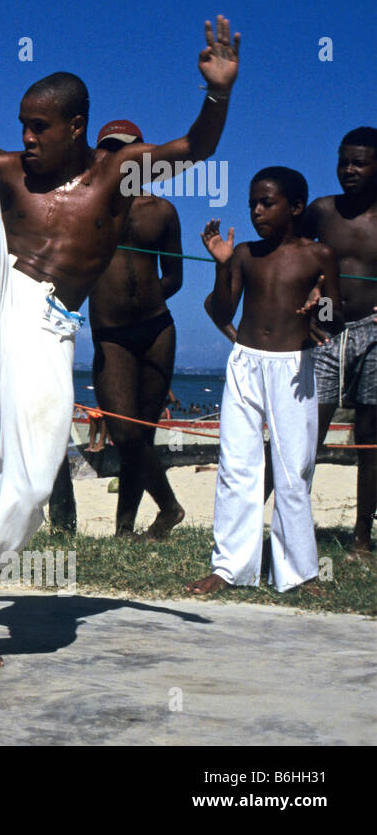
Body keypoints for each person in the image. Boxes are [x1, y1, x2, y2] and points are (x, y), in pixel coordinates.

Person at [0, 7, 239, 666]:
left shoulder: (117, 175)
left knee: (29, 482)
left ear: (77, 126)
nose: (28, 137)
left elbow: (197, 149)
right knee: (37, 483)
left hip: (49, 323)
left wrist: (218, 92)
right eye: (23, 124)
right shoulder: (14, 172)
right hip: (8, 294)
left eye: (39, 126)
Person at [186, 167, 341, 594]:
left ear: (295, 207)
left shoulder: (318, 256)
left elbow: (336, 316)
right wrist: (221, 266)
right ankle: (230, 568)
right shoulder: (245, 255)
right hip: (246, 363)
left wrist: (318, 311)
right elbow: (221, 313)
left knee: (293, 469)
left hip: (294, 369)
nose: (256, 211)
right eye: (252, 202)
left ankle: (300, 572)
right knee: (237, 465)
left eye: (266, 203)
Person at [86, 120, 186, 539]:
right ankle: (169, 508)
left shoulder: (162, 211)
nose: (115, 157)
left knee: (140, 434)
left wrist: (141, 300)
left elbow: (175, 277)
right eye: (107, 149)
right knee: (124, 432)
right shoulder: (88, 207)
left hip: (156, 329)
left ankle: (123, 529)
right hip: (111, 335)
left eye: (124, 149)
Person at [301, 127, 377, 558]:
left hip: (373, 331)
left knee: (369, 438)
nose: (348, 170)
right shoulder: (322, 212)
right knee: (307, 433)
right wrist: (306, 300)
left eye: (359, 162)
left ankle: (361, 538)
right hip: (325, 331)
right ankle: (294, 529)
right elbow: (291, 253)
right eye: (343, 160)